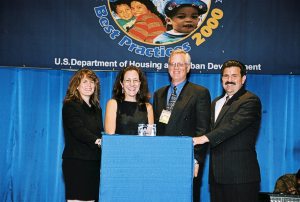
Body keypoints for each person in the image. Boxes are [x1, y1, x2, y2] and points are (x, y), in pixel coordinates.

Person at [193, 60, 262, 202]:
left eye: (234, 76)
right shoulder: (216, 102)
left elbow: (233, 126)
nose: (229, 80)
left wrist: (204, 138)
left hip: (241, 177)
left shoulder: (250, 100)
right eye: (226, 76)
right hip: (216, 178)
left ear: (243, 79)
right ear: (221, 79)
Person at [153, 49, 211, 202]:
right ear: (168, 67)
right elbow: (157, 128)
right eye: (173, 64)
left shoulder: (200, 93)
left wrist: (196, 159)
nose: (176, 67)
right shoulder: (159, 94)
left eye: (181, 64)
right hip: (162, 158)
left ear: (188, 67)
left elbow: (203, 129)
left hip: (186, 158)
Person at [62, 68, 103, 201]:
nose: (89, 85)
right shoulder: (70, 105)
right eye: (85, 82)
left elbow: (100, 131)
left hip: (94, 163)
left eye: (92, 82)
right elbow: (78, 130)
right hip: (76, 162)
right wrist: (97, 140)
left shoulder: (97, 108)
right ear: (77, 85)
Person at [105, 65, 154, 135]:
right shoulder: (113, 104)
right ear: (122, 84)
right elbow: (110, 137)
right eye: (128, 80)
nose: (132, 84)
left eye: (135, 80)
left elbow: (150, 139)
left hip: (141, 146)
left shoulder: (148, 107)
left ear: (140, 83)